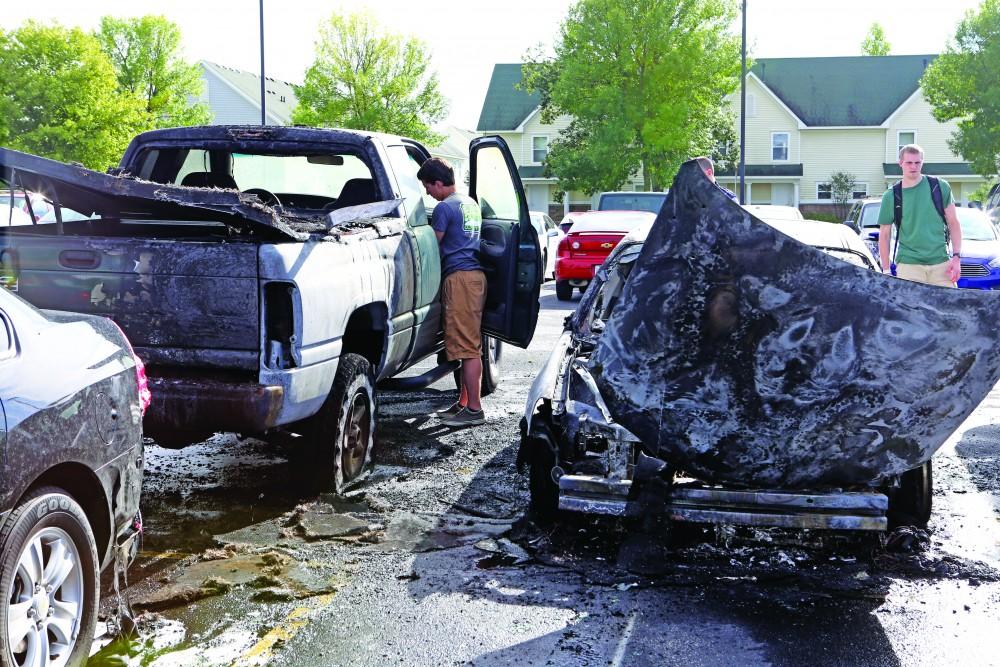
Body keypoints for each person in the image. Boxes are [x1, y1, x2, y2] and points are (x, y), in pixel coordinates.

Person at [416, 157, 487, 427]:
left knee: (467, 348)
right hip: (475, 277)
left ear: (437, 182)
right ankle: (464, 404)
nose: (427, 193)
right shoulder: (469, 203)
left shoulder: (445, 208)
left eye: (427, 186)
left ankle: (475, 410)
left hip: (459, 279)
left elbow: (433, 246)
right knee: (467, 343)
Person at [876, 144, 961, 287]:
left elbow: (954, 223)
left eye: (917, 162)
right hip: (908, 265)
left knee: (948, 308)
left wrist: (957, 258)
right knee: (909, 309)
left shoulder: (939, 187)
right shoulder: (891, 196)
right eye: (909, 162)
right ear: (901, 163)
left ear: (922, 162)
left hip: (941, 264)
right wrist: (886, 270)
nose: (913, 166)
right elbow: (884, 233)